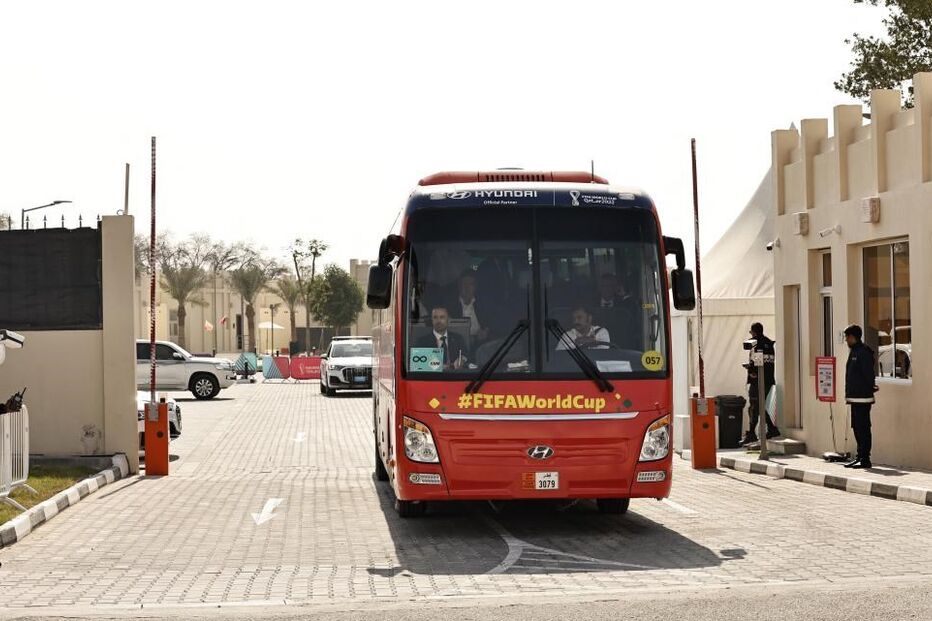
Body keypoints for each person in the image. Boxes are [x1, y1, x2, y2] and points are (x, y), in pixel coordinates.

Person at [843, 324, 878, 469]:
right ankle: (859, 456)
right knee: (856, 427)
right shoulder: (854, 351)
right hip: (855, 398)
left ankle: (865, 459)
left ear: (853, 337)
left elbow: (868, 374)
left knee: (863, 427)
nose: (846, 340)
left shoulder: (863, 352)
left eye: (847, 337)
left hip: (863, 397)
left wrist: (871, 387)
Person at [741, 322, 780, 446]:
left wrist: (750, 369)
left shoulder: (756, 344)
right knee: (759, 405)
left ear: (754, 332)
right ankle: (771, 429)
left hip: (757, 381)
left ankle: (753, 433)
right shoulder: (769, 343)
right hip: (768, 380)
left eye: (751, 332)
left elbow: (757, 363)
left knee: (754, 406)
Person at [593, 273, 638, 349]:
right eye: (603, 286)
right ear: (599, 288)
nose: (606, 289)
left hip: (619, 344)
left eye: (610, 286)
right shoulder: (592, 303)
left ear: (615, 288)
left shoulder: (623, 304)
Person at [415, 306, 467, 370]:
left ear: (448, 320)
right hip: (432, 375)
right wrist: (437, 367)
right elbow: (418, 365)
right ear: (432, 320)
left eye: (442, 317)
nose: (438, 321)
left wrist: (461, 360)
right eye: (435, 317)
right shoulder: (422, 342)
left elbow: (466, 355)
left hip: (454, 374)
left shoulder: (458, 338)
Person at [448, 271, 489, 344]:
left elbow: (491, 320)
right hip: (460, 343)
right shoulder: (451, 305)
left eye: (470, 284)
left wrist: (486, 330)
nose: (466, 288)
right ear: (459, 287)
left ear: (475, 287)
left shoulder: (482, 302)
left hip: (481, 342)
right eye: (464, 284)